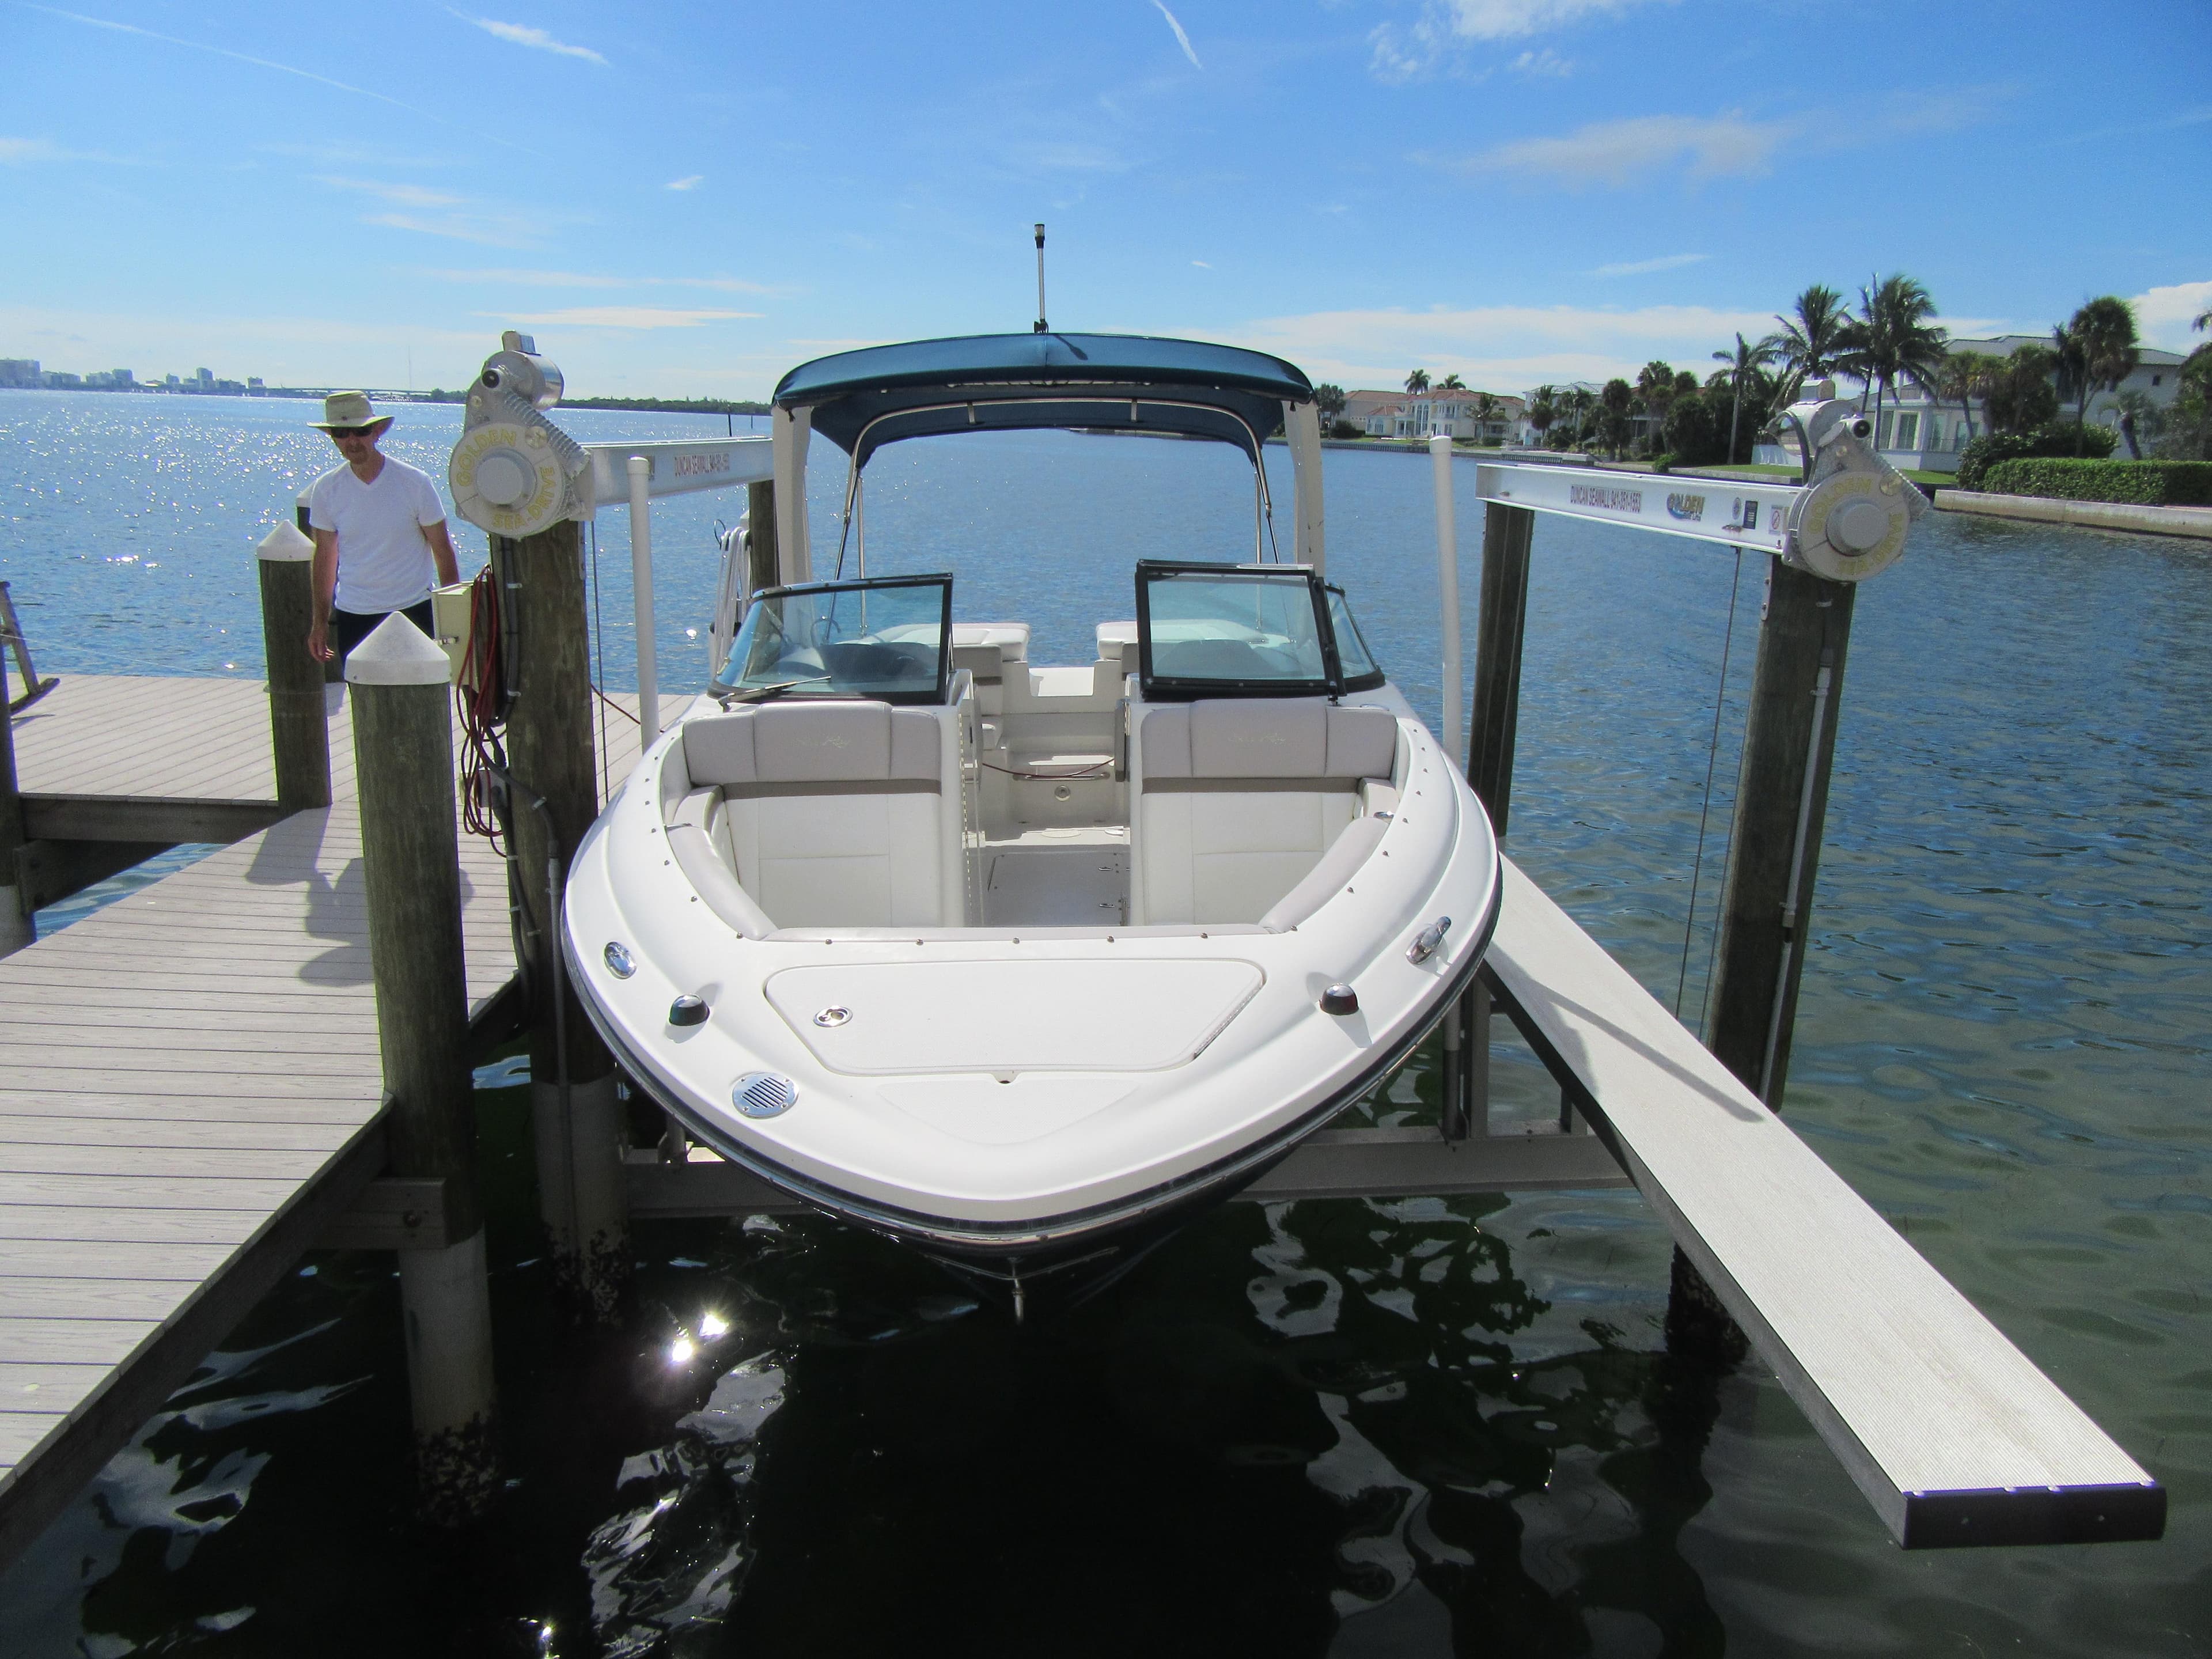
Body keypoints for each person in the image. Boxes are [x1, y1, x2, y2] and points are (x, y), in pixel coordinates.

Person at [305, 391, 461, 666]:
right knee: (365, 707)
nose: (352, 441)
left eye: (360, 431)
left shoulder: (415, 483)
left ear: (376, 431)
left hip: (413, 611)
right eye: (342, 433)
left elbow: (442, 550)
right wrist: (320, 623)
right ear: (333, 437)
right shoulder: (326, 490)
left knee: (418, 704)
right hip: (354, 615)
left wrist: (455, 620)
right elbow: (325, 557)